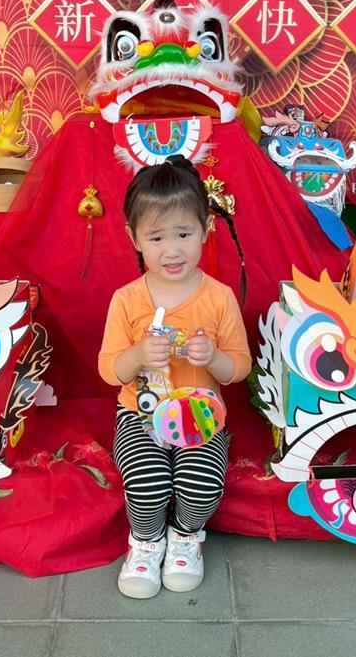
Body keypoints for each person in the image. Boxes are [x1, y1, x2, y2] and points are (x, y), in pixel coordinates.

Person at [98, 155, 252, 599]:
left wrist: (214, 358)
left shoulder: (219, 298)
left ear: (206, 229)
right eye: (157, 237)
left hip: (202, 414)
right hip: (140, 414)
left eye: (183, 234)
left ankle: (186, 536)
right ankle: (146, 542)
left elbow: (240, 368)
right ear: (134, 238)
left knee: (200, 483)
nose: (172, 250)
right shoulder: (127, 300)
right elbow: (109, 371)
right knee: (146, 480)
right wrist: (138, 354)